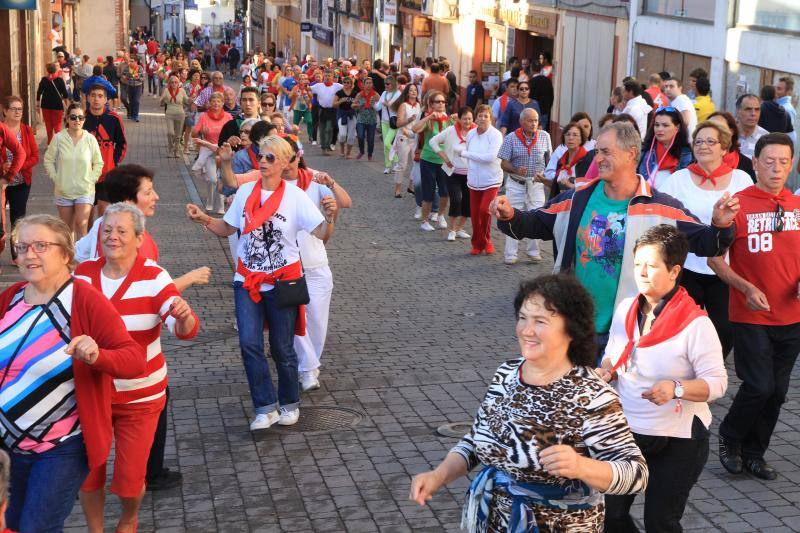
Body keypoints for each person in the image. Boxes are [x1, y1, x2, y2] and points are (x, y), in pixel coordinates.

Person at [410, 275, 648, 531]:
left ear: (571, 329)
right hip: (495, 521)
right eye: (523, 318)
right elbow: (476, 440)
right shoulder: (507, 374)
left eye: (540, 321)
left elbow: (636, 474)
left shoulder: (592, 394)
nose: (526, 330)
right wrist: (439, 475)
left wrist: (582, 466)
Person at [493, 122, 739, 356]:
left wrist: (721, 223)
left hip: (632, 333)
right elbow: (533, 223)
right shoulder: (577, 199)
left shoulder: (661, 208)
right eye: (597, 151)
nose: (597, 158)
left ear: (631, 154)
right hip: (576, 328)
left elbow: (709, 243)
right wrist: (509, 214)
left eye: (606, 152)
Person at [0, 214, 144, 532]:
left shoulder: (84, 299)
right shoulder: (10, 299)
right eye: (21, 247)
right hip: (8, 446)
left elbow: (134, 359)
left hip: (60, 447)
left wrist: (96, 355)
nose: (28, 254)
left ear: (65, 254)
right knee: (11, 524)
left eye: (40, 246)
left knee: (37, 526)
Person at [186, 135, 337, 431]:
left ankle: (290, 403)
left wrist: (331, 216)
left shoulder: (296, 198)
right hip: (247, 280)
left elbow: (322, 234)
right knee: (249, 344)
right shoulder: (245, 194)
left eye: (270, 158)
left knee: (282, 347)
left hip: (283, 282)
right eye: (261, 156)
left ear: (283, 163)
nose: (263, 162)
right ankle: (264, 408)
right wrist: (203, 218)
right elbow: (227, 227)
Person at [76, 203, 199, 533]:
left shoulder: (154, 276)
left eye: (121, 231)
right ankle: (95, 529)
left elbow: (179, 326)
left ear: (139, 238)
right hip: (90, 394)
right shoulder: (83, 275)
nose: (112, 237)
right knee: (90, 474)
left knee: (130, 480)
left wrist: (184, 317)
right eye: (106, 230)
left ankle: (129, 518)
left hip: (141, 396)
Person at [600, 225, 727, 533]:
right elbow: (613, 351)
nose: (642, 272)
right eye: (637, 263)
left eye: (652, 265)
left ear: (674, 271)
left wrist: (676, 388)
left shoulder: (696, 324)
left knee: (660, 522)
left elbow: (718, 383)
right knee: (610, 516)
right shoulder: (626, 308)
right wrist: (606, 370)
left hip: (679, 440)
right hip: (626, 431)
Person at [711, 133, 800, 481]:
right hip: (750, 313)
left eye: (783, 162)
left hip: (792, 316)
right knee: (759, 385)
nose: (776, 168)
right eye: (769, 161)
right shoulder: (738, 204)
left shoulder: (796, 205)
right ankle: (730, 437)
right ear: (756, 163)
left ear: (791, 165)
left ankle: (754, 454)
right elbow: (715, 258)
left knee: (777, 393)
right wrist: (745, 287)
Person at [658, 120, 752, 360]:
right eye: (699, 141)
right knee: (678, 324)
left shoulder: (741, 179)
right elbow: (660, 217)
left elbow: (748, 222)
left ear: (724, 148)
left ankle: (711, 370)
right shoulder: (678, 179)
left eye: (711, 141)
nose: (704, 146)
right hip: (686, 266)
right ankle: (681, 368)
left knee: (725, 329)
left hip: (725, 269)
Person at [278, 139, 352, 391]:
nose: (286, 164)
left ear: (298, 156)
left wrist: (330, 187)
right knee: (296, 321)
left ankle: (310, 364)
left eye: (290, 157)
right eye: (281, 158)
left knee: (317, 322)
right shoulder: (269, 187)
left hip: (316, 263)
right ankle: (307, 369)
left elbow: (345, 202)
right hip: (285, 267)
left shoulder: (314, 180)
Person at [498, 108, 551, 264]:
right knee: (511, 216)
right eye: (530, 120)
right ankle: (511, 254)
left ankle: (533, 251)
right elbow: (503, 163)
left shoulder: (545, 136)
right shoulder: (511, 138)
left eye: (536, 120)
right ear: (522, 122)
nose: (534, 123)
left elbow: (550, 160)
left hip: (536, 184)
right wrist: (515, 169)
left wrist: (547, 177)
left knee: (538, 216)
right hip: (516, 183)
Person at [43, 103, 104, 238]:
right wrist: (56, 178)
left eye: (81, 117)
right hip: (64, 191)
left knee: (81, 226)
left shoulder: (90, 139)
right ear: (67, 119)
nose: (77, 120)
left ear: (84, 120)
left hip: (85, 190)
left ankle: (82, 259)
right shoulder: (58, 138)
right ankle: (69, 258)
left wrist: (91, 180)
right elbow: (48, 160)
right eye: (73, 117)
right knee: (66, 230)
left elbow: (99, 162)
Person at [461, 104, 503, 255]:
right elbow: (469, 155)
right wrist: (469, 165)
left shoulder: (496, 135)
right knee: (475, 214)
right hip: (473, 181)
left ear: (490, 118)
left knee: (485, 210)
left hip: (491, 180)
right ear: (476, 118)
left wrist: (466, 154)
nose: (483, 118)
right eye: (480, 115)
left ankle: (487, 240)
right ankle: (477, 244)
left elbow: (490, 157)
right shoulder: (471, 134)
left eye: (486, 116)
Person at [429, 106, 475, 242]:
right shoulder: (450, 131)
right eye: (465, 118)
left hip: (471, 174)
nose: (467, 121)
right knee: (456, 200)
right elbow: (433, 141)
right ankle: (451, 230)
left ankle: (459, 229)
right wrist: (444, 157)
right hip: (452, 172)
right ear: (459, 119)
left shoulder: (476, 131)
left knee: (468, 202)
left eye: (470, 118)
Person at [84, 84, 128, 216]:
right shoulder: (81, 118)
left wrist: (114, 162)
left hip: (106, 175)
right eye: (93, 96)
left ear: (105, 100)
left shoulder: (114, 119)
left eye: (100, 96)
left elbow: (122, 143)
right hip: (85, 175)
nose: (96, 99)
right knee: (87, 218)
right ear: (87, 98)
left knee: (104, 215)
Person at [414, 90, 452, 231]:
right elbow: (414, 129)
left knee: (444, 192)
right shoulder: (428, 118)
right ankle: (424, 221)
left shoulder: (449, 119)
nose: (441, 104)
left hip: (444, 161)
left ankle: (440, 215)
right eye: (438, 101)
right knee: (428, 193)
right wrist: (428, 117)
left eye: (443, 101)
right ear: (431, 104)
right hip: (428, 159)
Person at [1, 96, 37, 236]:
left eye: (20, 109)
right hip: (2, 183)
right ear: (5, 111)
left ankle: (17, 256)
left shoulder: (27, 131)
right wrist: (2, 166)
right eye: (14, 109)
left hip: (21, 183)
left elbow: (34, 157)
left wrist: (17, 166)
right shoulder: (1, 130)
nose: (18, 112)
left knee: (18, 221)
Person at [191, 92, 232, 214]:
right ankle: (209, 202)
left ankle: (221, 207)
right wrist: (200, 131)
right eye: (213, 101)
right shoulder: (204, 116)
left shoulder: (228, 117)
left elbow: (234, 133)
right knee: (213, 180)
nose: (216, 103)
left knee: (222, 179)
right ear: (209, 103)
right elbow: (194, 133)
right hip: (209, 151)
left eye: (218, 101)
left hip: (223, 151)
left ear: (223, 103)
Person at [638, 107, 692, 189]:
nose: (659, 129)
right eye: (656, 125)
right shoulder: (644, 149)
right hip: (642, 199)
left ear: (677, 128)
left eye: (665, 125)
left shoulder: (686, 154)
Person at [390, 83, 421, 198]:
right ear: (407, 93)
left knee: (416, 163)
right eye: (411, 90)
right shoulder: (403, 105)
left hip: (415, 137)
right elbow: (398, 123)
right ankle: (397, 189)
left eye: (415, 90)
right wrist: (409, 120)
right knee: (402, 164)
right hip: (404, 137)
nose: (413, 92)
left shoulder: (419, 105)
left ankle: (411, 186)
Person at [549, 120, 593, 200]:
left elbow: (588, 188)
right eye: (568, 134)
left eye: (575, 135)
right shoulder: (561, 161)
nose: (571, 138)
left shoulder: (587, 160)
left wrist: (569, 185)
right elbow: (554, 190)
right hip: (561, 206)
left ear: (581, 139)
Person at [708, 111, 757, 182]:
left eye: (719, 127)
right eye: (709, 127)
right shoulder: (698, 162)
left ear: (731, 131)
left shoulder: (746, 165)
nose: (713, 132)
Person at [36, 63, 70, 143]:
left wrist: (37, 105)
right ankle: (57, 143)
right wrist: (67, 105)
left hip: (45, 106)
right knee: (57, 126)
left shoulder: (44, 80)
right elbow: (65, 95)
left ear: (47, 70)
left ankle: (50, 143)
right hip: (57, 106)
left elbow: (39, 93)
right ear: (56, 70)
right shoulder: (60, 81)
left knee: (48, 125)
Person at [310, 71, 342, 154]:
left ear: (332, 77)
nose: (327, 77)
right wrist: (304, 84)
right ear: (323, 77)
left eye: (329, 75)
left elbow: (347, 88)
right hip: (322, 110)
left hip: (332, 110)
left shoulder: (337, 86)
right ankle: (323, 148)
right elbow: (308, 89)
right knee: (322, 129)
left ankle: (327, 146)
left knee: (329, 129)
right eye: (326, 76)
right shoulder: (318, 86)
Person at [159, 74, 189, 157]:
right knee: (170, 133)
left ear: (179, 83)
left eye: (176, 82)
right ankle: (170, 149)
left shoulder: (182, 90)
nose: (174, 84)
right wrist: (162, 100)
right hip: (169, 113)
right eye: (172, 82)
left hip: (180, 114)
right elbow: (161, 103)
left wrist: (191, 99)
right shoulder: (166, 90)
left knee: (178, 134)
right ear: (169, 83)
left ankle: (176, 150)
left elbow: (186, 101)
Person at [377, 76, 400, 175]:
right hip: (384, 121)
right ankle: (388, 166)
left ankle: (396, 160)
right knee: (385, 146)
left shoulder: (398, 93)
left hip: (393, 122)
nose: (385, 85)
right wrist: (372, 103)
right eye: (385, 83)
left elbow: (393, 105)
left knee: (387, 143)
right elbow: (378, 106)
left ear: (393, 84)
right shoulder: (384, 93)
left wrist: (386, 103)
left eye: (388, 84)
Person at [353, 76, 379, 161]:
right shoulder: (359, 95)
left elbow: (380, 105)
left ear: (372, 84)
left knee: (370, 139)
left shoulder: (375, 94)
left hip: (372, 120)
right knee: (360, 136)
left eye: (370, 83)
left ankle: (370, 154)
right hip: (361, 119)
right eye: (367, 83)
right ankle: (361, 151)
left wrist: (375, 105)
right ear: (363, 85)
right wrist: (359, 105)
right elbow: (352, 105)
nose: (368, 85)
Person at [735, 93, 767, 159]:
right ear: (738, 111)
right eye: (748, 109)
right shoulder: (727, 135)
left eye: (757, 109)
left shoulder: (766, 138)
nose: (753, 113)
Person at [333, 77, 358, 159]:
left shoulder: (355, 93)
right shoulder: (339, 93)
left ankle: (348, 153)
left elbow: (359, 104)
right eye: (345, 82)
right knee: (342, 134)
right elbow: (334, 104)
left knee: (351, 135)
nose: (346, 84)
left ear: (351, 84)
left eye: (348, 82)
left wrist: (356, 105)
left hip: (352, 114)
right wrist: (341, 101)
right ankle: (342, 151)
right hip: (342, 114)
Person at [289, 73, 314, 140]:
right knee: (295, 125)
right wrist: (294, 94)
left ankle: (311, 136)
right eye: (301, 79)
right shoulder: (295, 87)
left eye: (305, 79)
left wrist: (308, 93)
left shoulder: (308, 87)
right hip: (297, 108)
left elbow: (311, 97)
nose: (303, 80)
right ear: (299, 80)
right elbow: (289, 96)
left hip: (307, 108)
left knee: (309, 121)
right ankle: (293, 138)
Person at [121, 58, 145, 122]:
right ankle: (131, 114)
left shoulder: (140, 68)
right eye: (130, 61)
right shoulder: (127, 68)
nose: (130, 62)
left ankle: (136, 116)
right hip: (129, 86)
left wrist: (139, 78)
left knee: (136, 101)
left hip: (138, 86)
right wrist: (124, 77)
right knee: (131, 101)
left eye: (132, 61)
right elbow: (123, 74)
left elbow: (143, 78)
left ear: (136, 62)